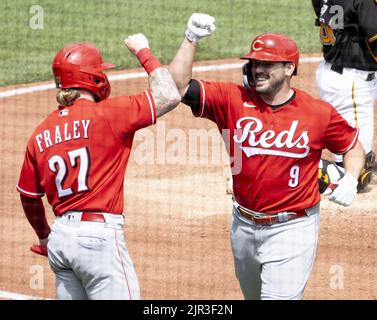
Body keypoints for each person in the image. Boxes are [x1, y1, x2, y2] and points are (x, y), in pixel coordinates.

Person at [169, 13, 365, 300]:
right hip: (243, 226)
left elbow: (352, 146)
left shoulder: (317, 113)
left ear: (289, 68)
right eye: (254, 63)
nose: (257, 70)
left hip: (292, 229)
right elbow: (177, 87)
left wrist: (350, 177)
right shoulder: (231, 100)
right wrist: (191, 39)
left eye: (267, 64)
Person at [17, 34, 181, 300]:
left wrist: (44, 237)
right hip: (98, 241)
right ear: (92, 78)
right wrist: (143, 51)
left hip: (61, 241)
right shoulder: (110, 113)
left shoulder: (41, 132)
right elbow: (169, 95)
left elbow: (29, 195)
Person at [312, 0, 377, 193]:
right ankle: (318, 170)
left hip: (337, 71)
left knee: (358, 154)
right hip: (352, 80)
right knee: (358, 174)